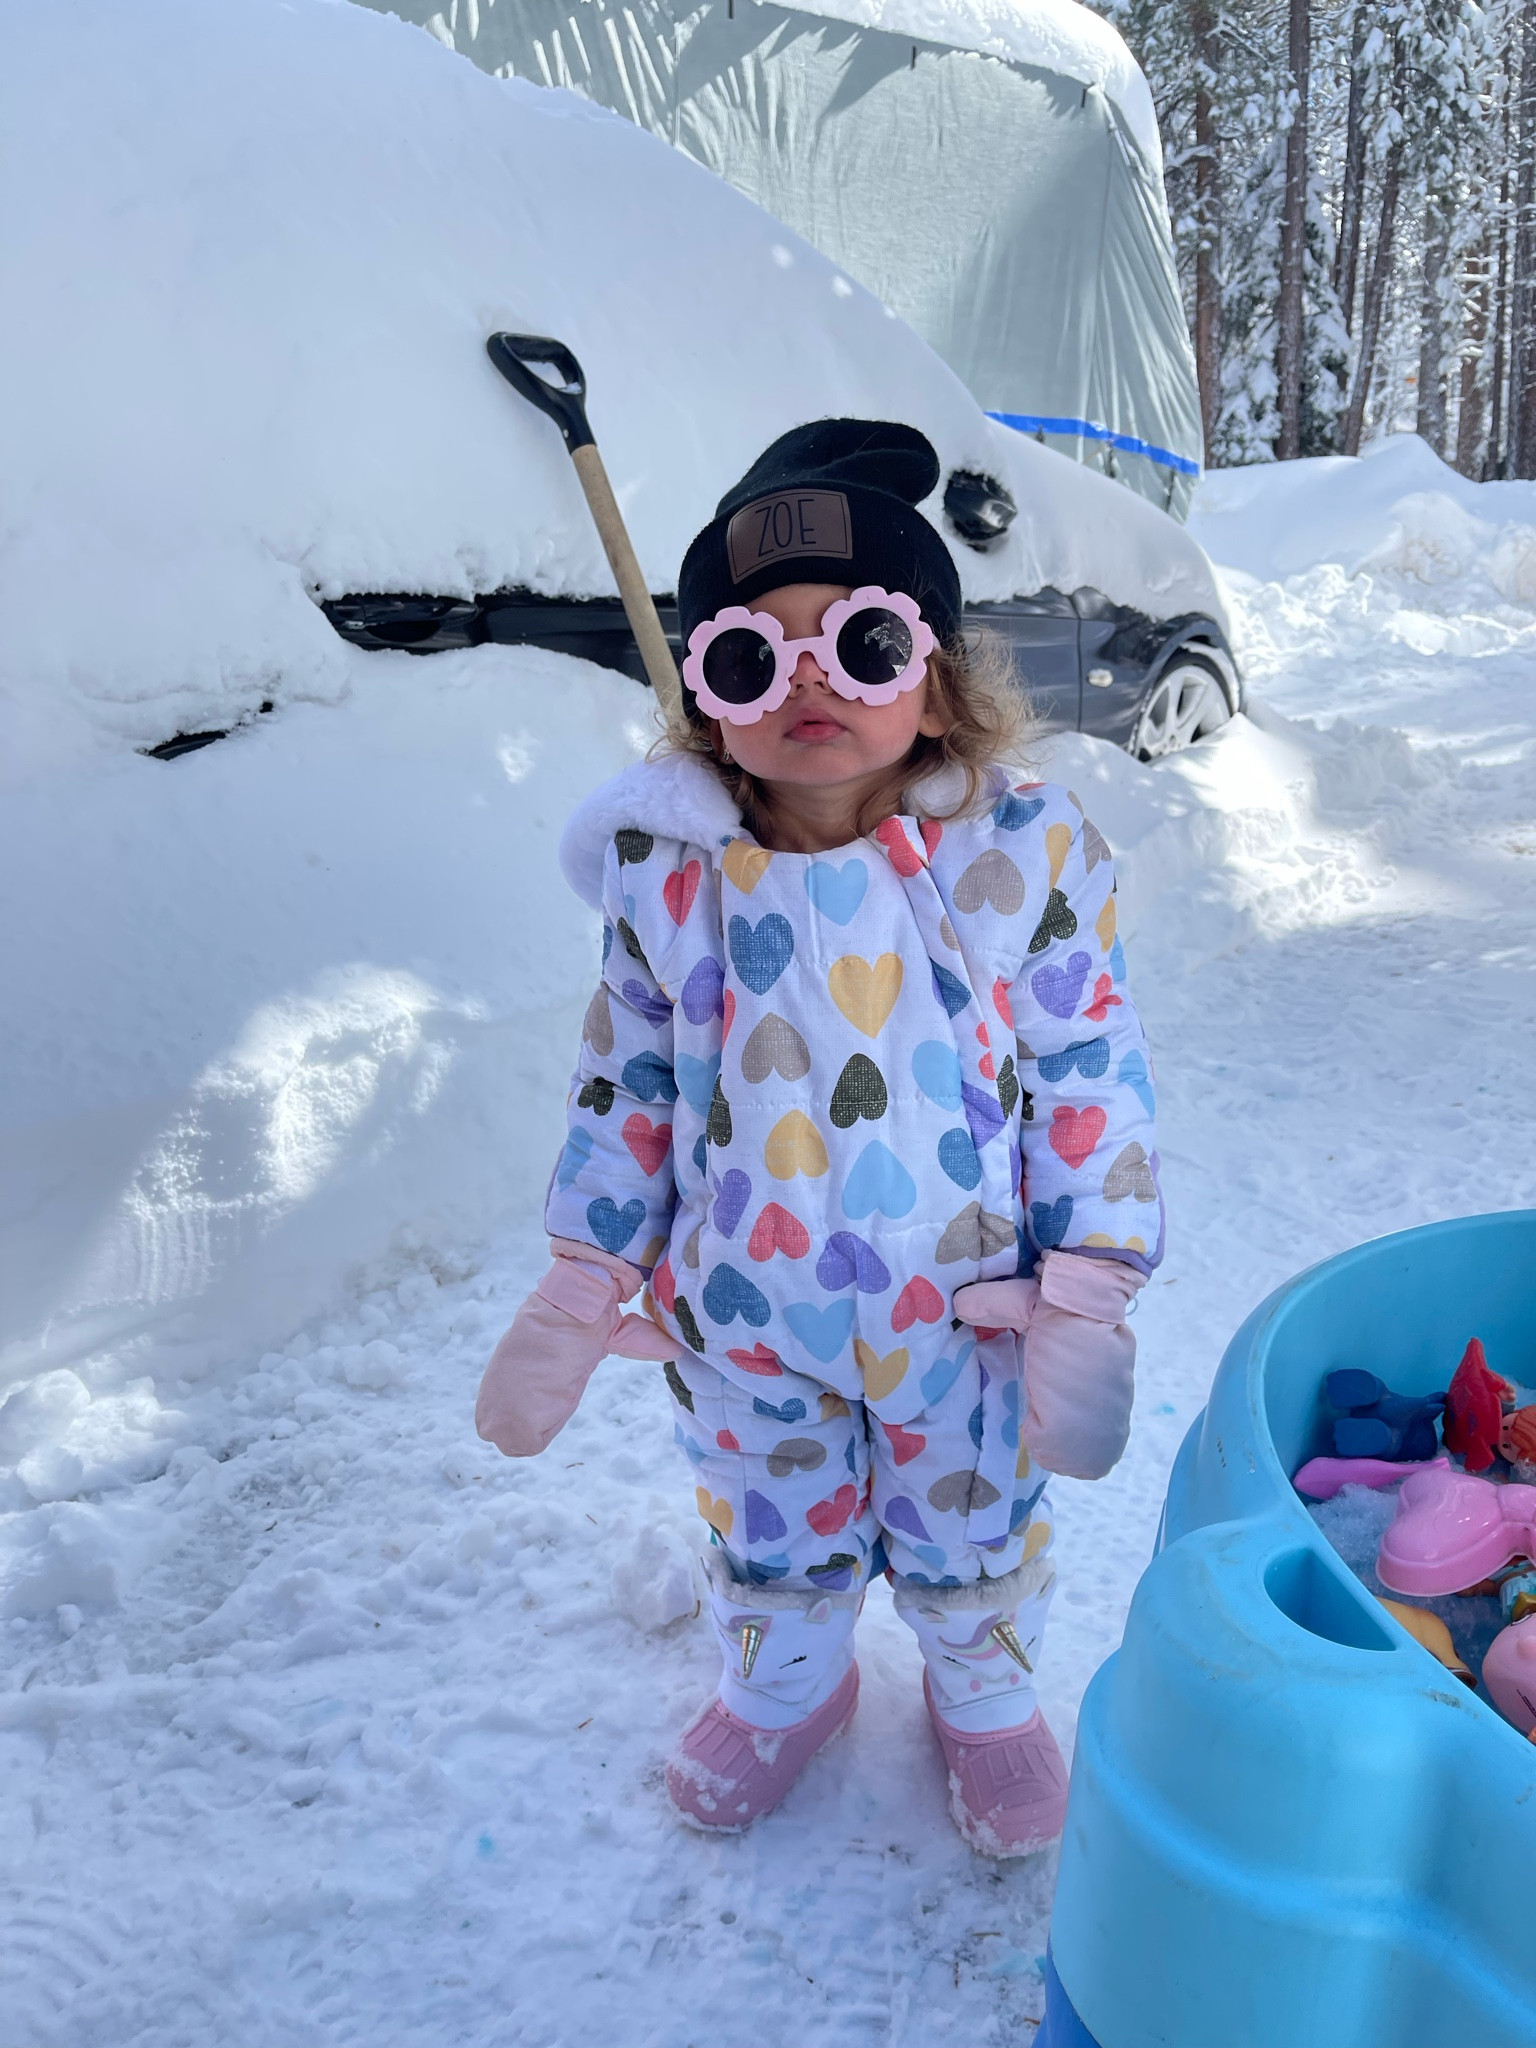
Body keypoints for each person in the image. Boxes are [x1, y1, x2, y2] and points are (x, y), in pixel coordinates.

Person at [475, 420, 1164, 1856]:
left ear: (934, 676)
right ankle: (791, 1680)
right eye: (747, 656)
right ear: (702, 697)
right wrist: (584, 1270)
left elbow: (1088, 1059)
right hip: (746, 1306)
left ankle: (982, 1698)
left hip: (965, 1301)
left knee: (973, 1516)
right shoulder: (672, 878)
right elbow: (630, 1083)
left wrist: (1090, 1275)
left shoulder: (1010, 856)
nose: (805, 686)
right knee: (769, 1516)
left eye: (855, 644)